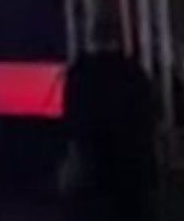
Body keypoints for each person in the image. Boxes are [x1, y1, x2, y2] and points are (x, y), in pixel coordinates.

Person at [63, 22, 158, 221]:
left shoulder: (81, 73)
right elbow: (146, 115)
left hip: (94, 157)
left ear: (93, 39)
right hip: (129, 159)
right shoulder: (133, 72)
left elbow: (72, 116)